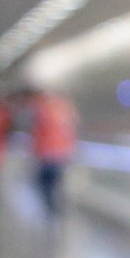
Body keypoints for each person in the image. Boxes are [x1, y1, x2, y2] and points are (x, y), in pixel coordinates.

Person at [26, 86, 78, 221]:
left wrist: (34, 150)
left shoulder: (41, 110)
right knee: (55, 181)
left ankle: (51, 208)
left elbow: (36, 132)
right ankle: (56, 208)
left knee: (44, 182)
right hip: (62, 153)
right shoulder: (67, 109)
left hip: (46, 153)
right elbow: (72, 131)